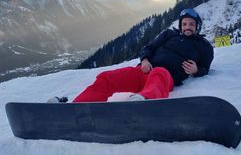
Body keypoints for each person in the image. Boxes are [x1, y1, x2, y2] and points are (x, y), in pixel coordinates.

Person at [49, 8, 214, 103]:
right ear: (180, 25)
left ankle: (141, 102)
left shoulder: (204, 47)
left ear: (197, 27)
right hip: (143, 71)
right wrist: (145, 60)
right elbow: (148, 48)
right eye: (184, 24)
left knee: (159, 73)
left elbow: (205, 68)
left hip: (165, 77)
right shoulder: (169, 35)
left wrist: (196, 70)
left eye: (191, 24)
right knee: (107, 77)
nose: (187, 27)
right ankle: (77, 106)